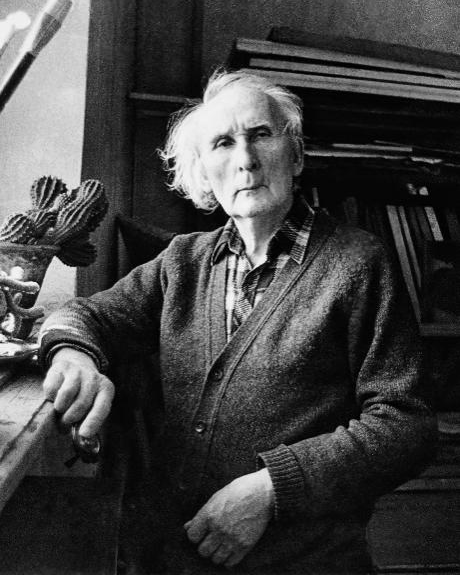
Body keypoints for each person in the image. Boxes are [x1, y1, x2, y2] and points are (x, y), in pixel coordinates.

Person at [38, 69, 436, 574]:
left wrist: (272, 489)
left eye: (261, 135)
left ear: (295, 155)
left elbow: (406, 426)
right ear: (203, 173)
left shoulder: (358, 264)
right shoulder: (183, 261)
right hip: (171, 559)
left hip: (303, 562)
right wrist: (73, 354)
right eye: (223, 143)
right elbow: (87, 314)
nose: (245, 159)